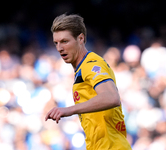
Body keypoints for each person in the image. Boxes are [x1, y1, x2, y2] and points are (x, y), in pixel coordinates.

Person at [45, 13, 132, 150]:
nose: (59, 48)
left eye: (65, 41)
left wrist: (69, 110)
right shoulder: (81, 69)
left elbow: (111, 97)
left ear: (80, 38)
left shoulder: (91, 64)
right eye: (56, 43)